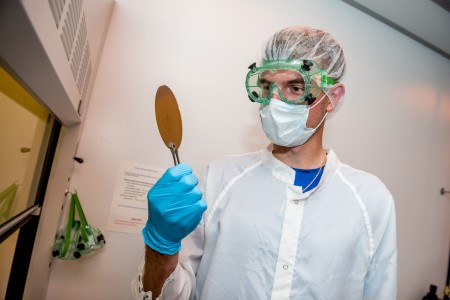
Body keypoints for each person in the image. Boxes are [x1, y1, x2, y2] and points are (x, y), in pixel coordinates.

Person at [132, 25, 397, 300]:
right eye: (268, 86)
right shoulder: (219, 179)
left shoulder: (371, 200)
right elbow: (164, 295)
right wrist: (160, 247)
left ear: (333, 96)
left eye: (296, 87)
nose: (275, 102)